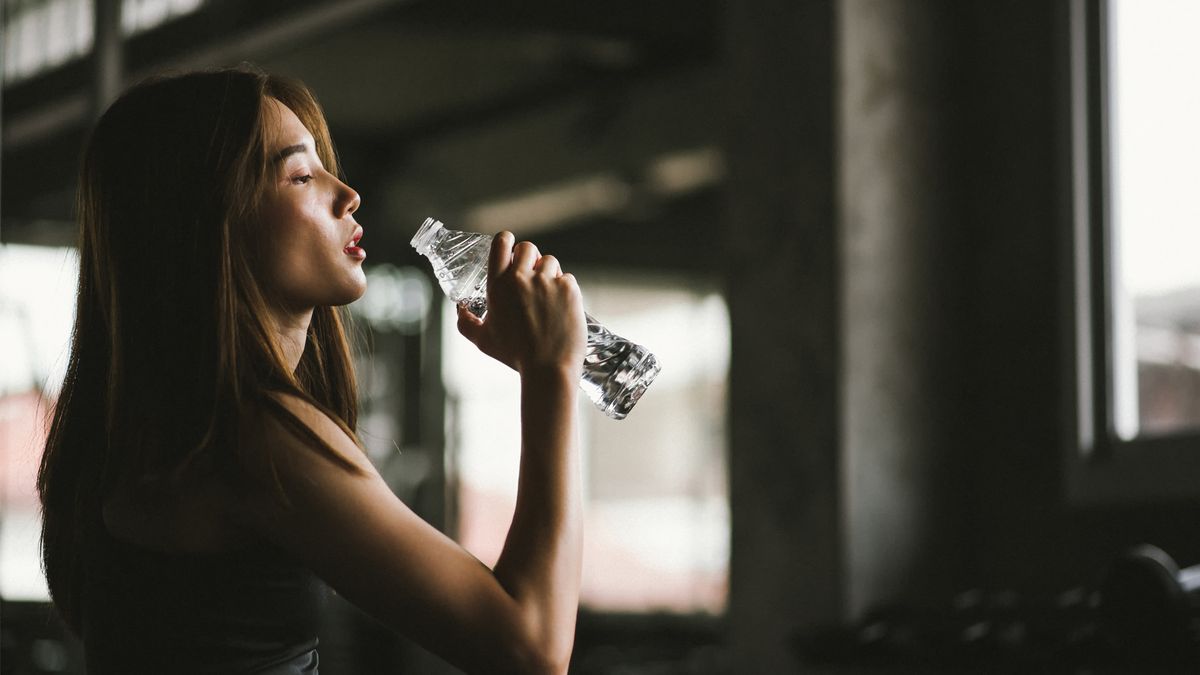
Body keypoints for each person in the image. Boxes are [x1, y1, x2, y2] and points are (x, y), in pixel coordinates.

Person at [36, 65, 586, 674]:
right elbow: (531, 646)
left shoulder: (155, 429)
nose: (348, 194)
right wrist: (552, 373)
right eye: (300, 173)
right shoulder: (253, 433)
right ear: (212, 221)